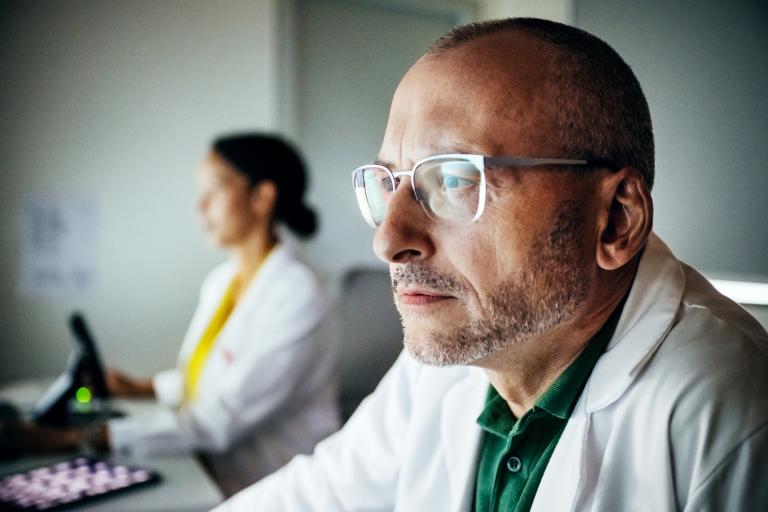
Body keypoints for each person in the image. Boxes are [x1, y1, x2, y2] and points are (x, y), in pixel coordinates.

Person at [213, 18, 768, 512]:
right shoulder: (451, 354)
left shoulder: (732, 420)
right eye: (389, 184)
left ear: (615, 219)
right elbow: (320, 492)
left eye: (454, 180)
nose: (388, 240)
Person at [20, 133, 341, 497]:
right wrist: (141, 387)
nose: (200, 206)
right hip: (214, 474)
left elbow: (218, 421)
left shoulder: (300, 294)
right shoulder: (222, 282)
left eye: (215, 190)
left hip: (272, 489)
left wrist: (75, 438)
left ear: (262, 197)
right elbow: (215, 378)